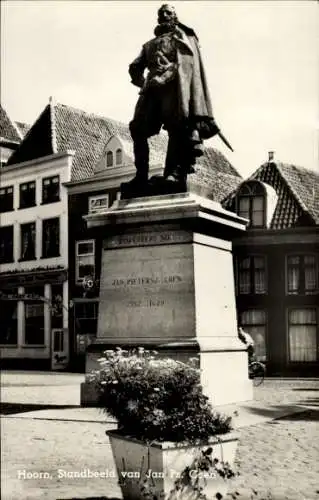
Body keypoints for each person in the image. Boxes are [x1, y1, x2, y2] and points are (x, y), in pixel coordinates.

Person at [126, 4, 220, 195]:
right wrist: (143, 82)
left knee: (177, 128)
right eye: (161, 13)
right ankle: (141, 176)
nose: (164, 16)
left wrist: (165, 76)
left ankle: (173, 174)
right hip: (151, 91)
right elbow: (135, 67)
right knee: (137, 129)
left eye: (168, 13)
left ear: (175, 17)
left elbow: (185, 65)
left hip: (173, 91)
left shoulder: (181, 39)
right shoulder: (149, 45)